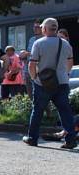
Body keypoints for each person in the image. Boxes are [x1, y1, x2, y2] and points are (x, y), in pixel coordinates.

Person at [23, 18, 76, 149]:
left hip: (43, 83)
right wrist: (66, 74)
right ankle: (70, 140)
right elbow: (70, 62)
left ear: (45, 29)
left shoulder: (39, 43)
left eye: (42, 28)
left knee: (38, 111)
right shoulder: (65, 44)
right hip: (62, 82)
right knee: (65, 111)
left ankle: (32, 138)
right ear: (56, 29)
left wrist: (34, 77)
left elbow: (32, 63)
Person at [20, 19, 42, 97]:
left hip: (38, 70)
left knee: (39, 94)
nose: (35, 29)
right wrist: (24, 56)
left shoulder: (44, 40)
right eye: (34, 27)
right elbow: (29, 53)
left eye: (37, 27)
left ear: (43, 28)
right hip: (28, 69)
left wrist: (27, 53)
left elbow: (41, 54)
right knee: (30, 94)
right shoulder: (31, 39)